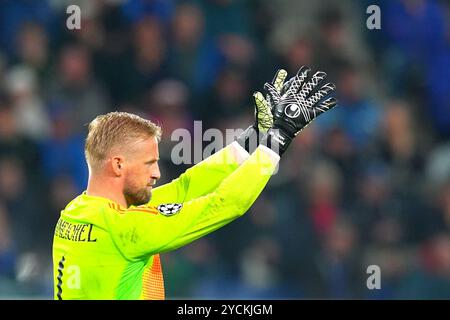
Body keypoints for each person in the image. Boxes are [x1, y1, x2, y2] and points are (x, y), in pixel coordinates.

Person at [52, 66, 337, 299]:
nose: (156, 173)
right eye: (149, 163)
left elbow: (184, 187)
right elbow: (225, 204)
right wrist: (278, 139)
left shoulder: (76, 211)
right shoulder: (127, 228)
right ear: (118, 165)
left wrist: (256, 138)